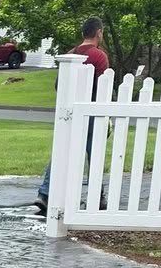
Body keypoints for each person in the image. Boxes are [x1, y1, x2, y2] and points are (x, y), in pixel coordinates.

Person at [36, 18, 109, 219]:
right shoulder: (99, 56)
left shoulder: (70, 54)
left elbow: (59, 85)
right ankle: (97, 196)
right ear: (99, 33)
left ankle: (45, 193)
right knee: (94, 154)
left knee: (62, 150)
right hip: (91, 111)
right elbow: (103, 85)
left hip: (69, 112)